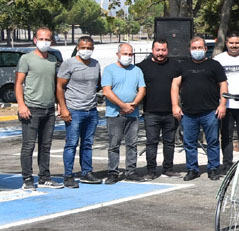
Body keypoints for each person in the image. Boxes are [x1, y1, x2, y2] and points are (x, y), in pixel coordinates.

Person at [172, 36, 228, 181]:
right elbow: (175, 86)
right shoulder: (182, 65)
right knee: (189, 143)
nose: (197, 50)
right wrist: (175, 105)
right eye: (194, 48)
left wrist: (222, 105)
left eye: (199, 48)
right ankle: (192, 169)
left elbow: (223, 84)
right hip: (188, 113)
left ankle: (213, 168)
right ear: (190, 49)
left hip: (210, 112)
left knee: (213, 142)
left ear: (205, 49)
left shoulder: (214, 65)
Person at [16, 27, 63, 190]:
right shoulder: (26, 59)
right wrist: (22, 105)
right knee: (28, 146)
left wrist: (58, 105)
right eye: (41, 39)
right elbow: (18, 84)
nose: (45, 42)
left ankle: (44, 177)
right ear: (35, 40)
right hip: (31, 109)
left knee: (46, 146)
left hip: (49, 110)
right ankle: (27, 179)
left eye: (48, 39)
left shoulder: (52, 60)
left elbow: (55, 85)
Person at [56, 36, 102, 188]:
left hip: (91, 110)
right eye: (83, 47)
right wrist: (63, 108)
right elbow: (60, 87)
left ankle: (86, 172)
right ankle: (68, 175)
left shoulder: (96, 64)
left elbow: (98, 85)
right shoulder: (68, 63)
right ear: (77, 47)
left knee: (87, 143)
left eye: (89, 48)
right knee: (71, 144)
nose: (86, 50)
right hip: (74, 110)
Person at [102, 43, 147, 184]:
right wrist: (122, 105)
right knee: (114, 144)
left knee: (132, 144)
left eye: (130, 54)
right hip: (115, 114)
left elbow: (142, 90)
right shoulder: (109, 70)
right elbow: (107, 91)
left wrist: (133, 104)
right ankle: (113, 172)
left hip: (132, 114)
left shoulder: (137, 70)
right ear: (118, 54)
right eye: (125, 54)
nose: (128, 57)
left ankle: (131, 171)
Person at [139, 38, 182, 180]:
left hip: (171, 112)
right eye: (158, 50)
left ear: (167, 50)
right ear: (152, 50)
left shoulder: (175, 66)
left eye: (163, 50)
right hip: (151, 112)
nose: (160, 53)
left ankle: (168, 168)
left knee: (169, 142)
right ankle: (151, 170)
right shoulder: (142, 67)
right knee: (152, 142)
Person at [214, 31, 239, 170]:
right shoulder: (219, 60)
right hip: (226, 104)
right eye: (231, 43)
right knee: (226, 137)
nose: (234, 46)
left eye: (237, 43)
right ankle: (227, 165)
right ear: (226, 44)